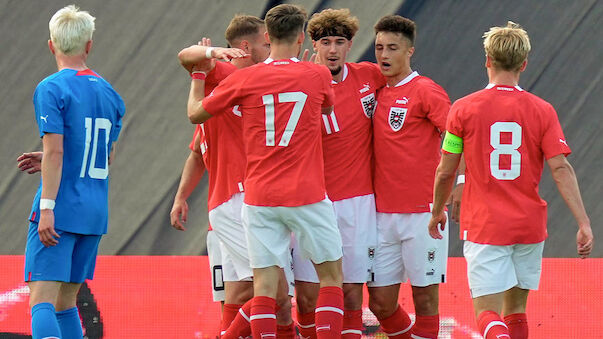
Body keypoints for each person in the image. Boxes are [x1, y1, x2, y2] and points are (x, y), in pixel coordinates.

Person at [186, 4, 344, 338]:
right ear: (302, 37)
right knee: (330, 278)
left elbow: (196, 115)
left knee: (264, 288)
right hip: (307, 193)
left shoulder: (245, 78)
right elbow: (328, 105)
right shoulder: (316, 74)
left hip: (259, 197)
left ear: (268, 37)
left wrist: (199, 77)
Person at [428, 21, 594, 339]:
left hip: (486, 225)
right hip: (529, 226)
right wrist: (583, 222)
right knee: (516, 312)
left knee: (486, 313)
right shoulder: (543, 110)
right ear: (524, 64)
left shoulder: (463, 110)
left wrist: (437, 210)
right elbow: (561, 169)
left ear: (487, 60)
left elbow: (446, 169)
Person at [172, 15, 295, 337]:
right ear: (244, 47)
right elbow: (186, 56)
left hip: (247, 202)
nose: (271, 49)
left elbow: (197, 152)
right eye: (266, 43)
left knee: (243, 294)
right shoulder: (227, 75)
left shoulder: (255, 84)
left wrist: (181, 197)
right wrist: (208, 58)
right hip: (237, 204)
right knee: (276, 295)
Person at [21, 5, 125, 339]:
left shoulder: (51, 88)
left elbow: (56, 149)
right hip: (94, 211)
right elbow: (102, 157)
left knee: (42, 301)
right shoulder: (111, 94)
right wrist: (52, 157)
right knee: (67, 303)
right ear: (89, 45)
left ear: (51, 44)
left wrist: (47, 208)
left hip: (61, 208)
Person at [291, 8, 385, 339]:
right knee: (305, 297)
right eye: (325, 42)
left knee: (351, 293)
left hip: (357, 201)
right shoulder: (298, 82)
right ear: (313, 44)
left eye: (340, 42)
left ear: (350, 46)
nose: (332, 50)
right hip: (311, 201)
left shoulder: (369, 77)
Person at [368, 15, 451, 339]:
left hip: (423, 214)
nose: (384, 55)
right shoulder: (377, 92)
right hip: (381, 214)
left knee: (425, 299)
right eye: (378, 48)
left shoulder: (426, 90)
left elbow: (457, 136)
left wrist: (456, 183)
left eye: (392, 48)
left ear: (410, 51)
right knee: (380, 302)